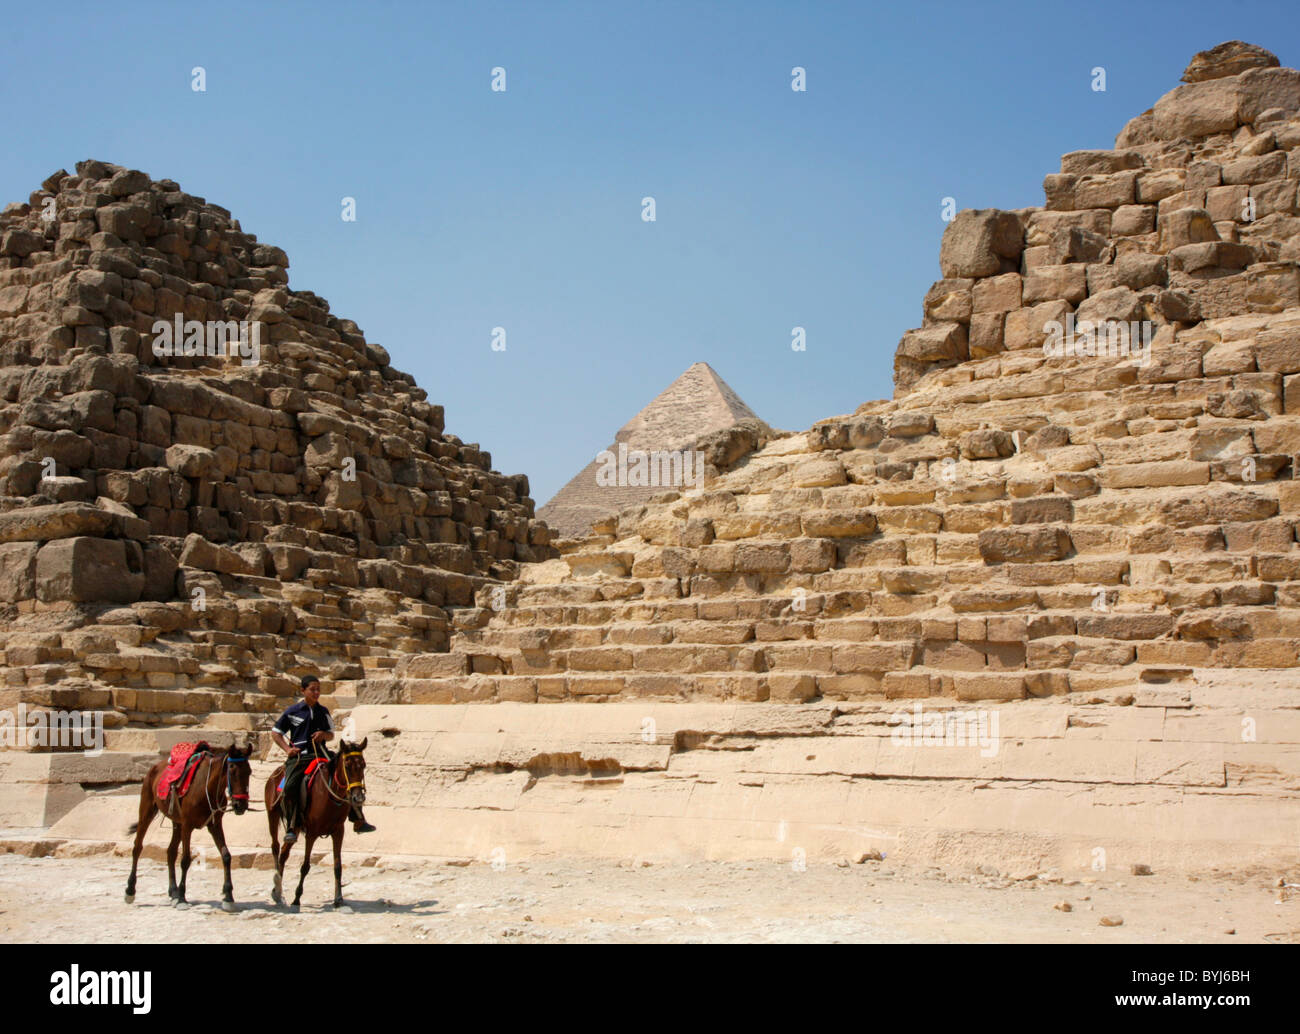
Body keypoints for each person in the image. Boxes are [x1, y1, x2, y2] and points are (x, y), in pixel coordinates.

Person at [271, 674, 376, 842]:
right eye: (312, 690)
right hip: (300, 757)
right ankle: (291, 826)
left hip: (321, 754)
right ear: (303, 690)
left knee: (350, 775)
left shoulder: (323, 711)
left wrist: (323, 735)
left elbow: (331, 734)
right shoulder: (292, 712)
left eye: (318, 689)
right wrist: (287, 749)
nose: (316, 693)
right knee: (289, 786)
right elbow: (276, 733)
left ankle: (358, 818)